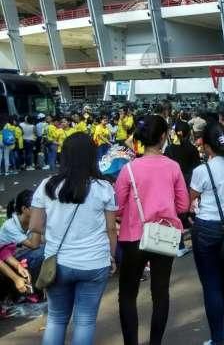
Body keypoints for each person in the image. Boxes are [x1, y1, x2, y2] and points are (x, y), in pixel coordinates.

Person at [27, 133, 118, 345]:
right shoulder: (103, 187)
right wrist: (111, 257)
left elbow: (36, 227)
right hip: (94, 262)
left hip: (57, 263)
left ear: (64, 156)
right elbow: (111, 229)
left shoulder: (47, 185)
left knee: (56, 319)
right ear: (92, 156)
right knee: (85, 322)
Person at [114, 115, 189, 345]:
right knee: (160, 293)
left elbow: (117, 206)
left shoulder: (129, 169)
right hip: (164, 236)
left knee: (127, 294)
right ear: (164, 136)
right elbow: (184, 205)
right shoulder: (173, 167)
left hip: (132, 237)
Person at [189, 122, 224, 344]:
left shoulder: (203, 170)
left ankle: (217, 338)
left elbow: (189, 197)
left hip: (206, 229)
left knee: (211, 284)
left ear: (208, 146)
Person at [164, 121, 201, 257]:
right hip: (189, 184)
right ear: (188, 133)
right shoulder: (192, 149)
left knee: (176, 216)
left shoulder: (169, 149)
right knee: (193, 214)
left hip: (172, 185)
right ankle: (197, 243)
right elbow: (197, 169)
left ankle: (178, 245)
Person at [0, 189, 44, 277]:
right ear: (24, 209)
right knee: (43, 252)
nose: (41, 210)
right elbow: (34, 245)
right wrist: (38, 221)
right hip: (9, 260)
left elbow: (42, 241)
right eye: (37, 207)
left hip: (15, 255)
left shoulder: (29, 222)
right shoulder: (9, 226)